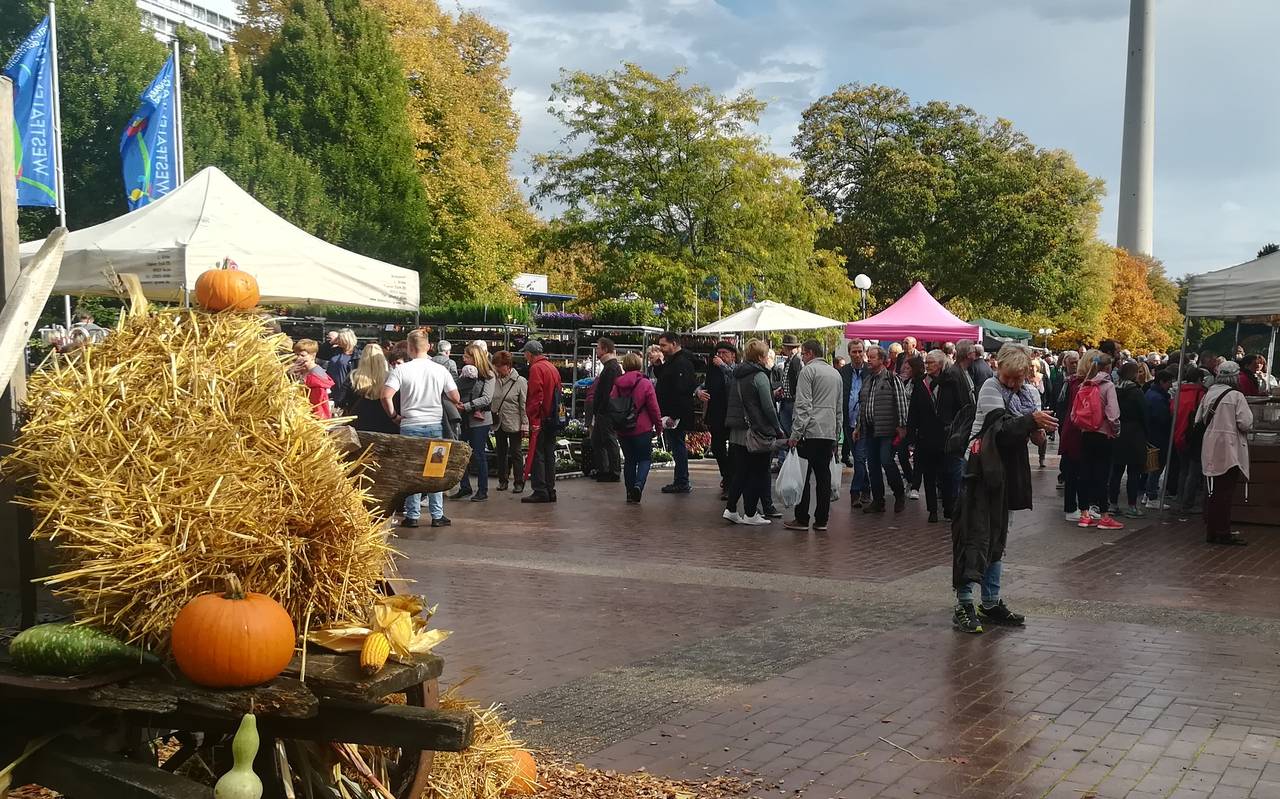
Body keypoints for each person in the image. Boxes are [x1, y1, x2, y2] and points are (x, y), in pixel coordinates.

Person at [952, 344, 1058, 634]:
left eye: (1018, 378)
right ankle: (963, 602)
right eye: (1008, 377)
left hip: (1007, 472)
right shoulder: (989, 387)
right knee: (974, 534)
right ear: (999, 369)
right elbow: (1001, 425)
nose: (1012, 383)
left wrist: (1039, 432)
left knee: (998, 536)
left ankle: (989, 600)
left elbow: (1033, 437)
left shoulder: (1030, 393)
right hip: (980, 469)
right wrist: (1030, 422)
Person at [383, 330, 459, 528]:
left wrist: (394, 416)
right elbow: (455, 397)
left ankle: (413, 515)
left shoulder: (401, 370)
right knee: (435, 471)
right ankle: (437, 515)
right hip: (434, 424)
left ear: (409, 348)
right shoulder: (440, 370)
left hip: (409, 424)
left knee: (412, 471)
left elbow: (386, 395)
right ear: (429, 347)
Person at [784, 340, 843, 532]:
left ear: (809, 353)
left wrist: (795, 433)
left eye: (803, 354)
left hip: (809, 431)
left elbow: (803, 406)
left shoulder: (807, 372)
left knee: (804, 476)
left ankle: (802, 518)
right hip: (828, 431)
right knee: (823, 476)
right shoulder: (836, 374)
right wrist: (836, 434)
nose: (802, 357)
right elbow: (838, 409)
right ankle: (822, 519)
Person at [723, 339, 783, 525]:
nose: (767, 359)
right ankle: (750, 513)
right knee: (758, 472)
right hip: (755, 431)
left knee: (741, 472)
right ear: (759, 357)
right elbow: (767, 407)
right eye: (765, 355)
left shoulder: (738, 374)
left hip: (738, 430)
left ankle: (731, 508)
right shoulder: (760, 376)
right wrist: (777, 427)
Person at [1198, 360, 1252, 546]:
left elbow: (1199, 418)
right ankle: (1222, 531)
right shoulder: (1236, 396)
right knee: (1225, 492)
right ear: (1235, 376)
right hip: (1230, 448)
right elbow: (1245, 423)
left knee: (1213, 491)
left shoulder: (1209, 393)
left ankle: (1212, 530)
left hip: (1210, 445)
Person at [909, 351, 967, 522]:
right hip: (926, 436)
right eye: (926, 362)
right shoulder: (920, 384)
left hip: (946, 436)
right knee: (929, 474)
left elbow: (961, 408)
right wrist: (912, 435)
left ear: (941, 364)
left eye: (932, 363)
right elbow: (914, 411)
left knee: (947, 474)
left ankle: (949, 507)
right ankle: (932, 510)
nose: (927, 365)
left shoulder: (951, 382)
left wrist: (957, 430)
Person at [857, 345, 909, 514]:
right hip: (870, 429)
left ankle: (899, 493)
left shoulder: (892, 379)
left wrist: (902, 425)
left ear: (881, 360)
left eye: (871, 357)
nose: (868, 360)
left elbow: (902, 402)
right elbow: (863, 405)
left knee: (886, 460)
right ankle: (878, 500)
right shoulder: (868, 380)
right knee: (872, 465)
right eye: (868, 357)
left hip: (887, 429)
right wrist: (859, 426)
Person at [1074, 351, 1123, 530]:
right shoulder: (1108, 385)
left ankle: (1084, 514)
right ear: (1108, 367)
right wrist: (1116, 430)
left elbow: (1074, 414)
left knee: (1084, 474)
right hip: (1103, 435)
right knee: (1102, 476)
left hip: (1086, 433)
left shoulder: (1084, 385)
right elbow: (1113, 413)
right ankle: (1104, 515)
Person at [611, 353, 663, 504]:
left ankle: (629, 492)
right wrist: (658, 426)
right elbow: (654, 407)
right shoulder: (645, 384)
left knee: (629, 461)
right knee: (644, 459)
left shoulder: (617, 384)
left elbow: (613, 405)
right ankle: (638, 485)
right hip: (642, 428)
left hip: (623, 429)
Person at [655, 332, 698, 493]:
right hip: (671, 412)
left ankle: (682, 480)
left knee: (678, 445)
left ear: (674, 344)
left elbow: (681, 389)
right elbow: (666, 378)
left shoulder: (681, 362)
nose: (662, 349)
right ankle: (680, 479)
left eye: (664, 345)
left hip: (676, 413)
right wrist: (658, 365)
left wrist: (674, 415)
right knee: (676, 445)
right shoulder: (673, 361)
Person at [451, 344, 495, 502]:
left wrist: (466, 406)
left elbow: (487, 398)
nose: (464, 359)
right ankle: (465, 487)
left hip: (479, 420)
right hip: (463, 419)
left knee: (479, 454)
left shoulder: (488, 375)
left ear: (475, 358)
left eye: (467, 356)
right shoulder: (465, 373)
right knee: (462, 454)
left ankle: (483, 490)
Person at [1107, 361, 1150, 518]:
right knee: (1134, 472)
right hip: (1135, 435)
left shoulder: (1115, 390)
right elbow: (1144, 414)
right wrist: (1147, 433)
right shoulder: (1136, 392)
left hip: (1118, 433)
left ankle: (1113, 504)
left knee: (1116, 472)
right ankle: (1132, 506)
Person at [521, 339, 562, 504]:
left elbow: (536, 395)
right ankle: (550, 489)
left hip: (542, 418)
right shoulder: (551, 367)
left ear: (529, 354)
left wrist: (533, 417)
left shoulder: (536, 368)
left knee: (538, 454)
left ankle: (540, 489)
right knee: (549, 453)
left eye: (525, 353)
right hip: (552, 417)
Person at [697, 341, 737, 499]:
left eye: (724, 353)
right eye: (718, 353)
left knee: (733, 450)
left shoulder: (736, 368)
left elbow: (734, 382)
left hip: (732, 413)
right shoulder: (713, 370)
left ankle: (730, 482)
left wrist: (722, 366)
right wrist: (698, 392)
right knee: (717, 447)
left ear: (733, 355)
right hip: (716, 413)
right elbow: (704, 385)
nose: (720, 356)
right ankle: (727, 477)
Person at [490, 351, 528, 494]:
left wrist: (525, 424)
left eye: (499, 366)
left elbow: (523, 404)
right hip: (498, 422)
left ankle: (519, 482)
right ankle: (502, 480)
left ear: (507, 366)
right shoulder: (494, 379)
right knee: (500, 452)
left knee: (516, 452)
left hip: (514, 422)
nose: (497, 369)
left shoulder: (520, 381)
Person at [1173, 366, 1209, 514]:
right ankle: (1187, 503)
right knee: (1194, 470)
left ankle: (1180, 499)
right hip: (1193, 436)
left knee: (1183, 469)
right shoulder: (1201, 394)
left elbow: (1172, 411)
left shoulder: (1179, 393)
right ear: (1200, 379)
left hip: (1178, 434)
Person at [1057, 352, 1088, 521]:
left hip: (1072, 429)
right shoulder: (1076, 384)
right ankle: (1072, 507)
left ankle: (1081, 506)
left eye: (1077, 362)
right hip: (1074, 430)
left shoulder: (1074, 383)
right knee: (1074, 471)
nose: (1075, 365)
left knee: (1077, 471)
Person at [841, 341, 871, 506]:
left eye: (860, 351)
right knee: (858, 458)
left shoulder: (870, 370)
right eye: (854, 352)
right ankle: (866, 488)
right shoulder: (843, 372)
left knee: (859, 457)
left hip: (865, 421)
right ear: (849, 353)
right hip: (848, 420)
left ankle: (855, 492)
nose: (858, 355)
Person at [590, 338, 623, 482]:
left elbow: (608, 392)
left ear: (604, 349)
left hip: (606, 412)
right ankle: (603, 469)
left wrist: (602, 409)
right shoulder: (610, 367)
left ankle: (613, 471)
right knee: (597, 440)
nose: (596, 351)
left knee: (609, 440)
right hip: (603, 411)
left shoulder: (611, 368)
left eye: (598, 348)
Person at [348, 343, 398, 434]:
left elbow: (344, 399)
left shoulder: (354, 377)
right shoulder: (391, 377)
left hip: (360, 418)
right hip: (385, 419)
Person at [1144, 368, 1175, 509]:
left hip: (1152, 434)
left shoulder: (1151, 393)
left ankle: (1148, 493)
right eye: (1169, 382)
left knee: (1153, 465)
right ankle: (1152, 495)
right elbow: (1163, 418)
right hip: (1159, 436)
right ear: (1163, 382)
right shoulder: (1158, 398)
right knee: (1157, 466)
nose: (1171, 385)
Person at [774, 335, 804, 459]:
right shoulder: (789, 361)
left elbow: (797, 381)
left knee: (789, 431)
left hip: (791, 401)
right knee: (786, 430)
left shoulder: (796, 361)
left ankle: (792, 458)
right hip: (786, 399)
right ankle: (788, 459)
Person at [291, 339, 334, 419]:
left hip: (314, 416)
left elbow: (317, 402)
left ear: (313, 356)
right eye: (296, 355)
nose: (298, 358)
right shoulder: (301, 370)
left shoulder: (317, 374)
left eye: (302, 355)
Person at [325, 328, 359, 412]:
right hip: (331, 388)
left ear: (346, 339)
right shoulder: (335, 351)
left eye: (340, 338)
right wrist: (332, 341)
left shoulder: (357, 356)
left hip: (344, 391)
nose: (338, 340)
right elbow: (321, 350)